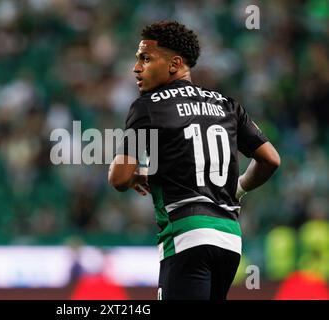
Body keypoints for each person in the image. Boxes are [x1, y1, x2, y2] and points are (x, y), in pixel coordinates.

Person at [108, 21, 280, 300]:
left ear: (174, 64)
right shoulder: (227, 104)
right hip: (229, 241)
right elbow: (270, 159)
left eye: (146, 58)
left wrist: (134, 173)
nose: (136, 68)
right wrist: (238, 189)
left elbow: (118, 178)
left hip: (186, 237)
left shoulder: (148, 107)